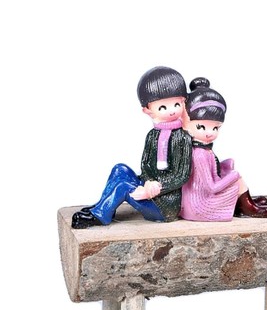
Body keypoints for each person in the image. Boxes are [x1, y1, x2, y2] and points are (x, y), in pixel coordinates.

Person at [71, 66, 192, 228]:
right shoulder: (153, 135)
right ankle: (104, 205)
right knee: (120, 169)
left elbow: (181, 175)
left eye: (176, 104)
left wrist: (155, 188)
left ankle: (101, 215)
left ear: (183, 103)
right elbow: (146, 165)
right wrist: (148, 181)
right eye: (162, 107)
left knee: (123, 187)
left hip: (165, 205)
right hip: (150, 189)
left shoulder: (182, 138)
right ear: (147, 110)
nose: (171, 111)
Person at [179, 77, 267, 222]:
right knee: (236, 179)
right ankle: (247, 206)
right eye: (201, 127)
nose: (210, 133)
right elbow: (212, 187)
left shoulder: (204, 150)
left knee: (230, 171)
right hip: (199, 205)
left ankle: (245, 203)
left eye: (215, 127)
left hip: (195, 201)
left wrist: (225, 167)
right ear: (185, 123)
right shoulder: (199, 154)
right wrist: (233, 176)